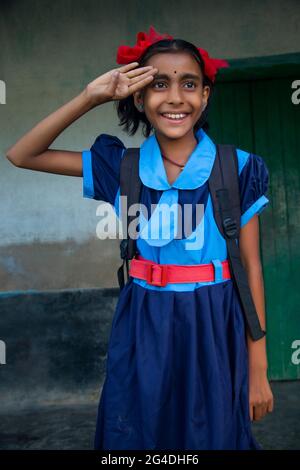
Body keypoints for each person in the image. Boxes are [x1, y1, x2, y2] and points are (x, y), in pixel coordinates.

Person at [6, 25, 274, 450]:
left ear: (205, 95)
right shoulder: (122, 167)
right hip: (143, 317)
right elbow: (23, 155)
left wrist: (258, 366)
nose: (174, 97)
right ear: (138, 96)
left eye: (189, 83)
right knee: (138, 433)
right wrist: (89, 97)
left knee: (214, 433)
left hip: (215, 317)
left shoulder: (237, 167)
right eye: (158, 84)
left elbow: (251, 267)